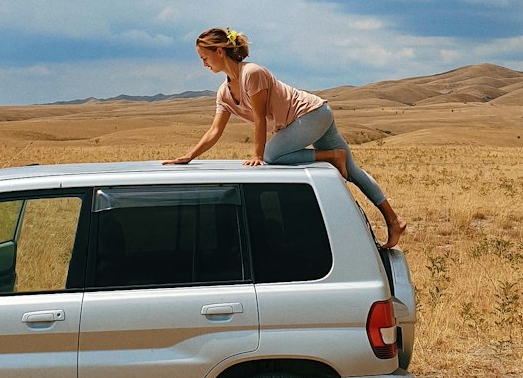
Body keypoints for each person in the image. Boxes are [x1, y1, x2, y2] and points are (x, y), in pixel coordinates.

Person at [166, 27, 407, 248]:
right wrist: (189, 156)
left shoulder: (251, 73)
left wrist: (258, 156)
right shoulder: (224, 92)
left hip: (311, 115)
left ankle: (332, 157)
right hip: (314, 116)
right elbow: (214, 130)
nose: (203, 64)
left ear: (219, 51)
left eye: (204, 58)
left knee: (272, 155)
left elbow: (259, 118)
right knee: (352, 170)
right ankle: (394, 220)